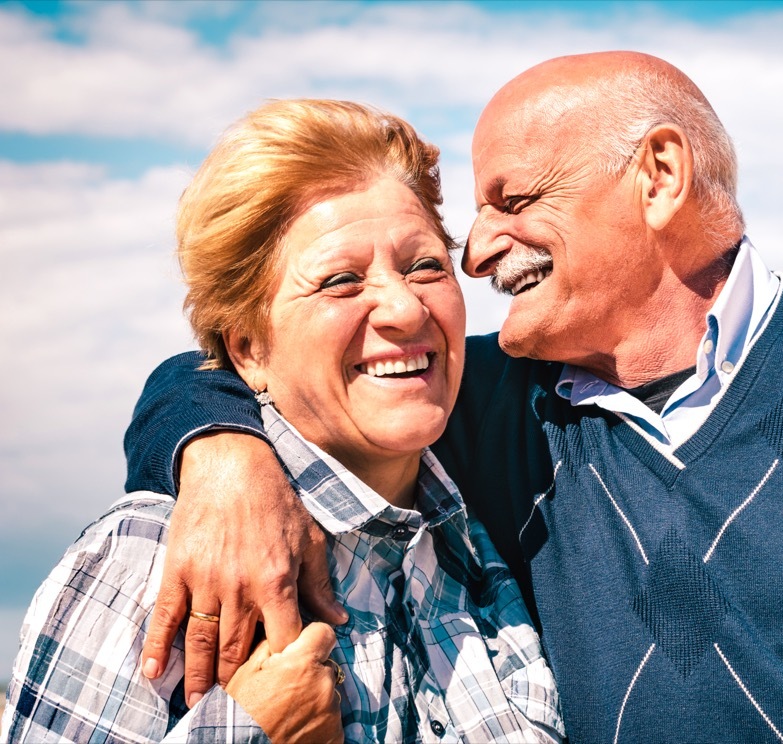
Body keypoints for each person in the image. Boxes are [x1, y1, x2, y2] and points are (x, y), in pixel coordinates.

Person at [121, 53, 783, 742]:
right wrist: (222, 459)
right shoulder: (484, 408)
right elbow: (236, 367)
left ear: (659, 173)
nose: (475, 253)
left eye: (513, 201)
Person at [2, 99, 562, 743]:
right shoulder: (160, 562)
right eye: (341, 280)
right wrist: (246, 730)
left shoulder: (488, 545)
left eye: (425, 266)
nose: (406, 310)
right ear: (249, 350)